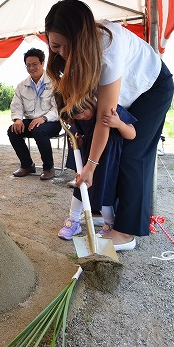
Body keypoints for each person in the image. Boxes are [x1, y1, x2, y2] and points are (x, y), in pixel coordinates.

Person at [45, 0, 174, 250]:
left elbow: (105, 117)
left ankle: (125, 232)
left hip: (152, 88)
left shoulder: (108, 47)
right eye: (53, 46)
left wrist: (90, 167)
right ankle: (102, 212)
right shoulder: (78, 53)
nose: (58, 52)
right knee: (108, 150)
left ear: (78, 39)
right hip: (125, 95)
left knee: (133, 152)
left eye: (61, 46)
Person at [58, 97, 137, 241]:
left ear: (88, 100)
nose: (83, 117)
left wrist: (118, 124)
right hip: (87, 160)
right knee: (79, 188)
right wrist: (79, 141)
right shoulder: (80, 118)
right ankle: (73, 221)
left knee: (103, 192)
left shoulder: (112, 110)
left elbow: (132, 134)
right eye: (78, 117)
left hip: (108, 162)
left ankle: (110, 224)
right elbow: (82, 135)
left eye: (83, 112)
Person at [8, 47, 61, 180]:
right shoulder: (21, 86)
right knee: (12, 130)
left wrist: (43, 118)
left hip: (51, 122)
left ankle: (48, 167)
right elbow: (16, 105)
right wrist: (17, 120)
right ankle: (27, 165)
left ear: (42, 63)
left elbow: (58, 109)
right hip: (31, 122)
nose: (31, 68)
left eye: (35, 64)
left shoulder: (55, 82)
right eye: (28, 65)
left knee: (39, 131)